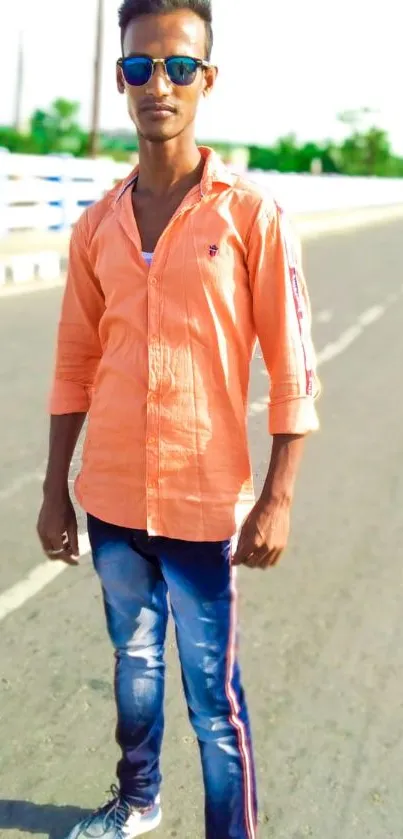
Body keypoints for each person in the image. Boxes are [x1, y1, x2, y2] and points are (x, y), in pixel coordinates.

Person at [37, 0, 320, 837]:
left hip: (202, 507)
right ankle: (137, 799)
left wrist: (277, 497)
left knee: (211, 696)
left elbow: (293, 365)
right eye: (138, 66)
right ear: (120, 79)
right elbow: (72, 365)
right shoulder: (98, 227)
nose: (157, 83)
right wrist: (56, 489)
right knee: (132, 666)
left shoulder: (249, 218)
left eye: (177, 66)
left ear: (207, 78)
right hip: (114, 501)